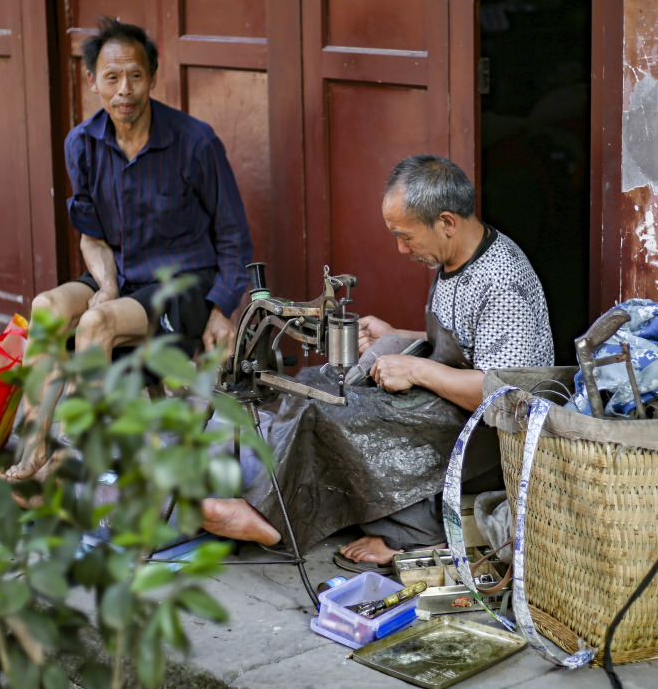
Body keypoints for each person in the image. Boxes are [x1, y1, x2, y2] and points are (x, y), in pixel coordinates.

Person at [201, 155, 554, 568]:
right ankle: (267, 490)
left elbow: (507, 396)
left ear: (446, 222)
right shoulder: (455, 257)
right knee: (319, 381)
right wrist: (398, 337)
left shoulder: (503, 281)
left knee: (333, 412)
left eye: (406, 236)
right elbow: (466, 344)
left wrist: (417, 368)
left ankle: (302, 522)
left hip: (486, 440)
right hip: (451, 405)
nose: (401, 248)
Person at [0, 18, 253, 481]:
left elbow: (234, 235)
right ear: (93, 80)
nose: (125, 90)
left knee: (95, 321)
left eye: (135, 75)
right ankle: (34, 448)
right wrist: (108, 283)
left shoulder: (195, 142)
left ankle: (84, 457)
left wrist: (221, 308)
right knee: (47, 308)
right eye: (112, 77)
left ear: (153, 76)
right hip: (123, 275)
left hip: (184, 285)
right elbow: (91, 235)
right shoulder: (82, 143)